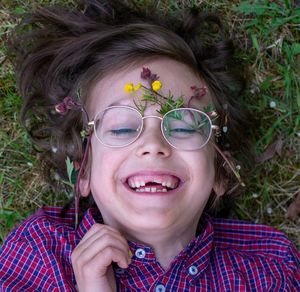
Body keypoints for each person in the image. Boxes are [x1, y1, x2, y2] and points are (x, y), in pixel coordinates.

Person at [0, 0, 299, 291]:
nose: (153, 145)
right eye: (123, 128)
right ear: (85, 168)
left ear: (222, 170)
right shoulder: (40, 255)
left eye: (182, 126)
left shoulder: (270, 267)